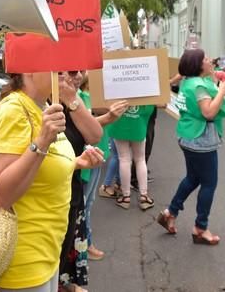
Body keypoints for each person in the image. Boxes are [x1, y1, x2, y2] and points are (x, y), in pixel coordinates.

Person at [0, 71, 104, 292]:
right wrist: (42, 141)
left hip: (47, 250)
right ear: (29, 70)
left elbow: (42, 169)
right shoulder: (13, 110)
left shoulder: (43, 105)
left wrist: (76, 162)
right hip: (22, 259)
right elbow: (3, 194)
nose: (65, 73)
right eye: (56, 69)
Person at [156, 48, 225, 245]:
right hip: (201, 141)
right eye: (205, 58)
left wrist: (213, 75)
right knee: (209, 183)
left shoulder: (189, 81)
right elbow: (208, 113)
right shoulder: (198, 86)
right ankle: (200, 228)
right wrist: (222, 91)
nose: (209, 59)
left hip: (188, 137)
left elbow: (207, 84)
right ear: (198, 65)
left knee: (192, 178)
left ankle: (170, 212)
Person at [55, 70, 103, 292]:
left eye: (78, 71)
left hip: (71, 191)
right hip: (48, 198)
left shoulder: (70, 100)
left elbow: (94, 134)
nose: (74, 77)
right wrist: (75, 163)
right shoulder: (35, 105)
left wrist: (71, 100)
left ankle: (63, 283)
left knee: (65, 251)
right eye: (66, 72)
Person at [78, 75, 128, 262]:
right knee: (84, 204)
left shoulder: (99, 97)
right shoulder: (80, 97)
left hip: (97, 154)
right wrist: (108, 116)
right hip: (87, 156)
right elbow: (86, 125)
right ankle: (85, 245)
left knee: (89, 202)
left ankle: (85, 244)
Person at [107, 104, 156, 211]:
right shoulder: (145, 91)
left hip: (119, 125)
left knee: (124, 159)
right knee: (140, 160)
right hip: (138, 126)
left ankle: (126, 197)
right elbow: (151, 109)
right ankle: (144, 196)